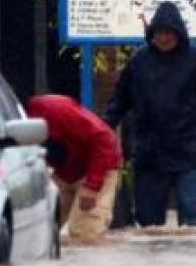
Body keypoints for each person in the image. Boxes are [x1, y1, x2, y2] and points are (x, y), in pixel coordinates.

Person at [103, 1, 196, 228]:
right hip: (149, 155)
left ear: (178, 33)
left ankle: (192, 260)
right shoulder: (139, 62)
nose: (163, 38)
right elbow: (118, 103)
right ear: (151, 33)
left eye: (168, 33)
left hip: (188, 153)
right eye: (158, 33)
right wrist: (102, 132)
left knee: (191, 219)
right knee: (148, 222)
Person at [26, 94, 123, 244]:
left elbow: (103, 138)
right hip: (63, 172)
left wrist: (92, 186)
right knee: (37, 235)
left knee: (86, 236)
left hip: (97, 168)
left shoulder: (56, 110)